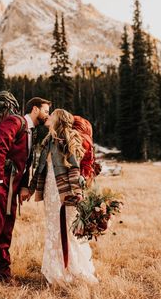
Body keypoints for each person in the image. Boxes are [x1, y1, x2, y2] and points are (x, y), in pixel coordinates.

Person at [0, 96, 51, 286]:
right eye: (45, 111)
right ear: (34, 109)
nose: (47, 115)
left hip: (13, 187)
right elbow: (0, 149)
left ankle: (3, 274)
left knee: (6, 230)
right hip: (0, 184)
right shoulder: (15, 122)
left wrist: (24, 187)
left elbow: (25, 162)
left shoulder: (31, 131)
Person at [29, 109, 98, 285]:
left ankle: (73, 271)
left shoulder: (65, 139)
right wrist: (30, 188)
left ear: (58, 120)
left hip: (64, 192)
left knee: (66, 230)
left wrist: (76, 193)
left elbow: (74, 168)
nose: (48, 116)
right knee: (54, 230)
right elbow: (41, 169)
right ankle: (56, 271)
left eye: (52, 115)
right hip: (49, 191)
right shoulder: (48, 140)